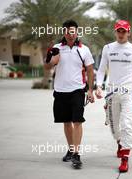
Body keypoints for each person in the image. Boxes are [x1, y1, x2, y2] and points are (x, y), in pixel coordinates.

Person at [95, 20, 132, 173]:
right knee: (115, 128)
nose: (121, 34)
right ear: (115, 32)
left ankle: (125, 158)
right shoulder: (108, 48)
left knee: (126, 124)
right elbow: (101, 70)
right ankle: (120, 142)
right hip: (112, 93)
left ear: (129, 32)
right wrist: (98, 86)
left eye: (124, 31)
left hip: (128, 92)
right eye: (118, 31)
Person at [44, 19, 95, 169]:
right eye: (67, 31)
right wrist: (51, 59)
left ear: (76, 32)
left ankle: (76, 155)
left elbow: (90, 70)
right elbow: (47, 67)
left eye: (73, 31)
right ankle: (71, 149)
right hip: (60, 91)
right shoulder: (57, 48)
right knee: (66, 122)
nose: (70, 34)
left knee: (77, 121)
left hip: (78, 91)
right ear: (64, 32)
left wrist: (90, 90)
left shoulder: (84, 49)